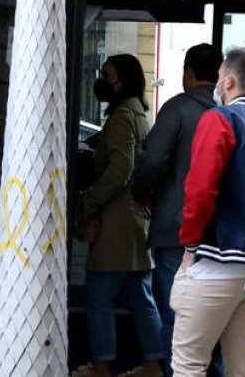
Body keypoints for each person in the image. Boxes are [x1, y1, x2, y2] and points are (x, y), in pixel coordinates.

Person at [172, 47, 245, 377]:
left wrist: (189, 248)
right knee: (244, 367)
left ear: (229, 81)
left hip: (215, 260)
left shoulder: (219, 120)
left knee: (188, 364)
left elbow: (200, 190)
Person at [131, 43, 224, 377]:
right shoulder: (228, 112)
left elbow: (153, 159)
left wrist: (140, 192)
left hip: (176, 231)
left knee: (178, 317)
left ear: (188, 73)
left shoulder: (177, 109)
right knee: (215, 322)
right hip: (221, 237)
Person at [75, 54, 165, 377]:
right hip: (136, 222)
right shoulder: (138, 113)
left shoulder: (122, 117)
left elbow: (119, 170)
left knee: (99, 297)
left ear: (122, 80)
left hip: (115, 221)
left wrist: (89, 201)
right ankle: (153, 364)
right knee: (142, 297)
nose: (101, 79)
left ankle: (100, 366)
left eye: (107, 73)